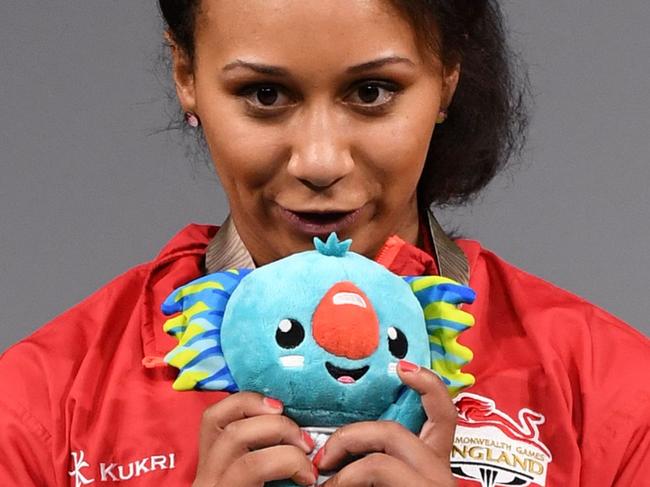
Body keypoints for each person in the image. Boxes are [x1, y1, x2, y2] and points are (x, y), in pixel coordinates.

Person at [0, 1, 648, 486]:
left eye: (371, 92)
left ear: (448, 75)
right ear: (186, 74)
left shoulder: (611, 392)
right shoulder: (41, 406)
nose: (319, 160)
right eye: (265, 94)